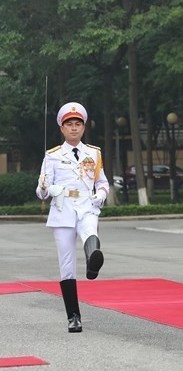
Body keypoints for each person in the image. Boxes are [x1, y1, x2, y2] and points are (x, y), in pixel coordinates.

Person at [36, 102, 108, 333]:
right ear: (62, 129)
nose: (74, 128)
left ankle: (92, 262)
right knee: (66, 264)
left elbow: (103, 182)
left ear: (84, 127)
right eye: (70, 125)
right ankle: (73, 316)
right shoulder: (53, 156)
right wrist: (45, 189)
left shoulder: (93, 153)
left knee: (90, 232)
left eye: (78, 124)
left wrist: (101, 194)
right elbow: (41, 190)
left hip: (87, 205)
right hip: (63, 208)